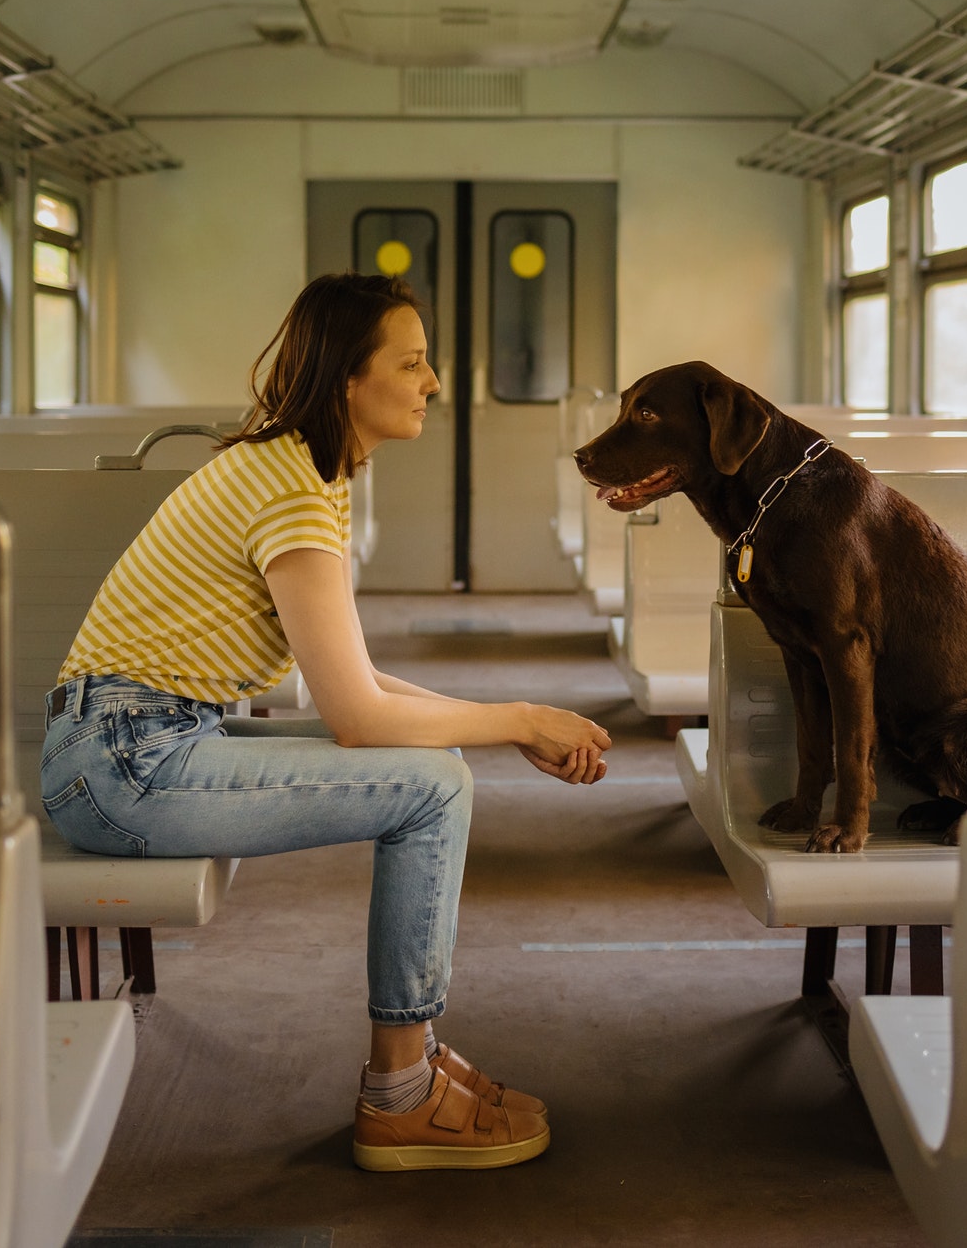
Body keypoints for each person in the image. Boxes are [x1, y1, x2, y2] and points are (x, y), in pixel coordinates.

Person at [41, 272, 612, 1172]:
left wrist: (512, 724)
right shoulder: (294, 487)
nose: (431, 382)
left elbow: (356, 677)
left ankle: (411, 1061)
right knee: (432, 789)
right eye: (413, 362)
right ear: (350, 377)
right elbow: (354, 716)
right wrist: (523, 715)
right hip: (126, 761)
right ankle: (400, 1092)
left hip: (141, 740)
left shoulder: (306, 469)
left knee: (438, 765)